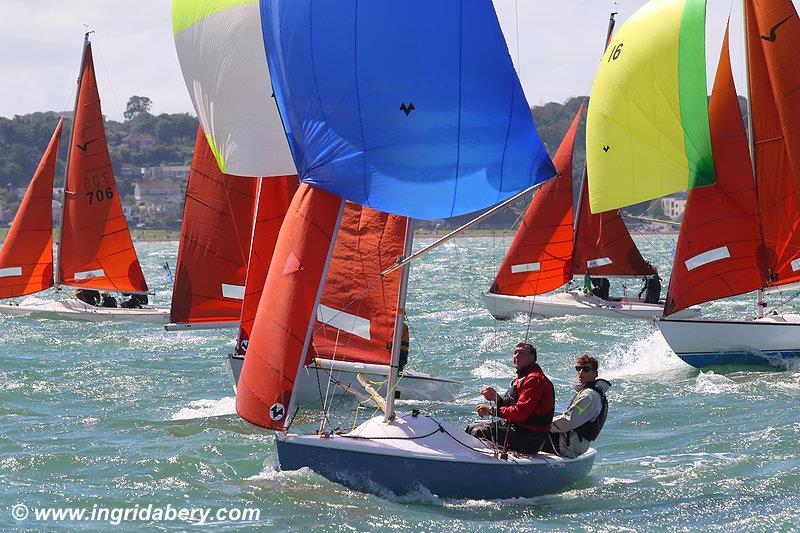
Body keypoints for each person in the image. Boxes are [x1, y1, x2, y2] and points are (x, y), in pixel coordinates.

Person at [466, 342, 555, 455]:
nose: (516, 356)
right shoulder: (520, 379)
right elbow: (510, 408)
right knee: (471, 426)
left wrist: (490, 410)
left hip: (530, 439)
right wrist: (496, 398)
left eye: (521, 353)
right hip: (516, 430)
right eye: (515, 353)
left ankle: (477, 464)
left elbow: (520, 412)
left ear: (532, 358)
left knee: (478, 432)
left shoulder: (535, 380)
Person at [541, 354, 611, 459]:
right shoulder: (593, 393)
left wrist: (541, 424)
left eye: (586, 369)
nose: (581, 372)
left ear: (595, 374)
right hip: (574, 441)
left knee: (525, 432)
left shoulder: (589, 396)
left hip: (569, 444)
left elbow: (569, 420)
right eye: (578, 369)